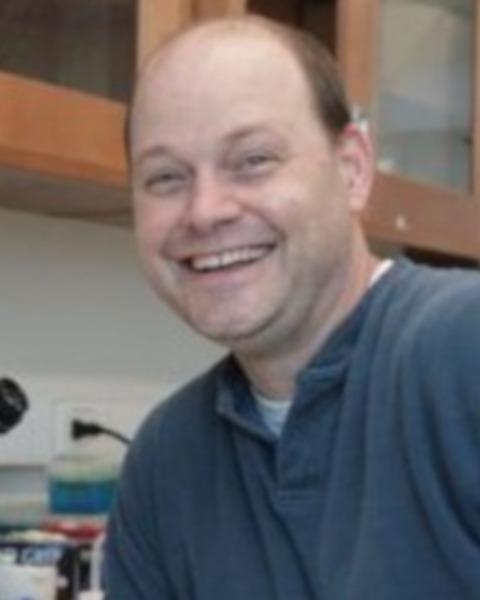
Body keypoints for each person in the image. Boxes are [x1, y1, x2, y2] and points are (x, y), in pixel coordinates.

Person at [104, 14, 480, 600]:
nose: (205, 210)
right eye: (166, 177)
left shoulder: (463, 348)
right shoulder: (165, 459)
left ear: (353, 170)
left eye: (253, 160)